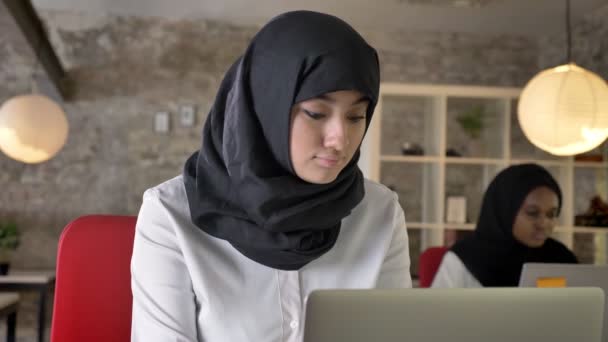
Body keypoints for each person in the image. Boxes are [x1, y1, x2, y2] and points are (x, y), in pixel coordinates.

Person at [130, 10, 411, 342]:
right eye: (316, 113)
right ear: (265, 107)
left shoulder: (380, 213)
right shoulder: (171, 215)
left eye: (356, 116)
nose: (340, 139)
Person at [432, 163, 577, 288]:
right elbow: (436, 316)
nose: (544, 224)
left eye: (551, 214)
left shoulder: (561, 258)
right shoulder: (464, 259)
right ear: (505, 211)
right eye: (533, 213)